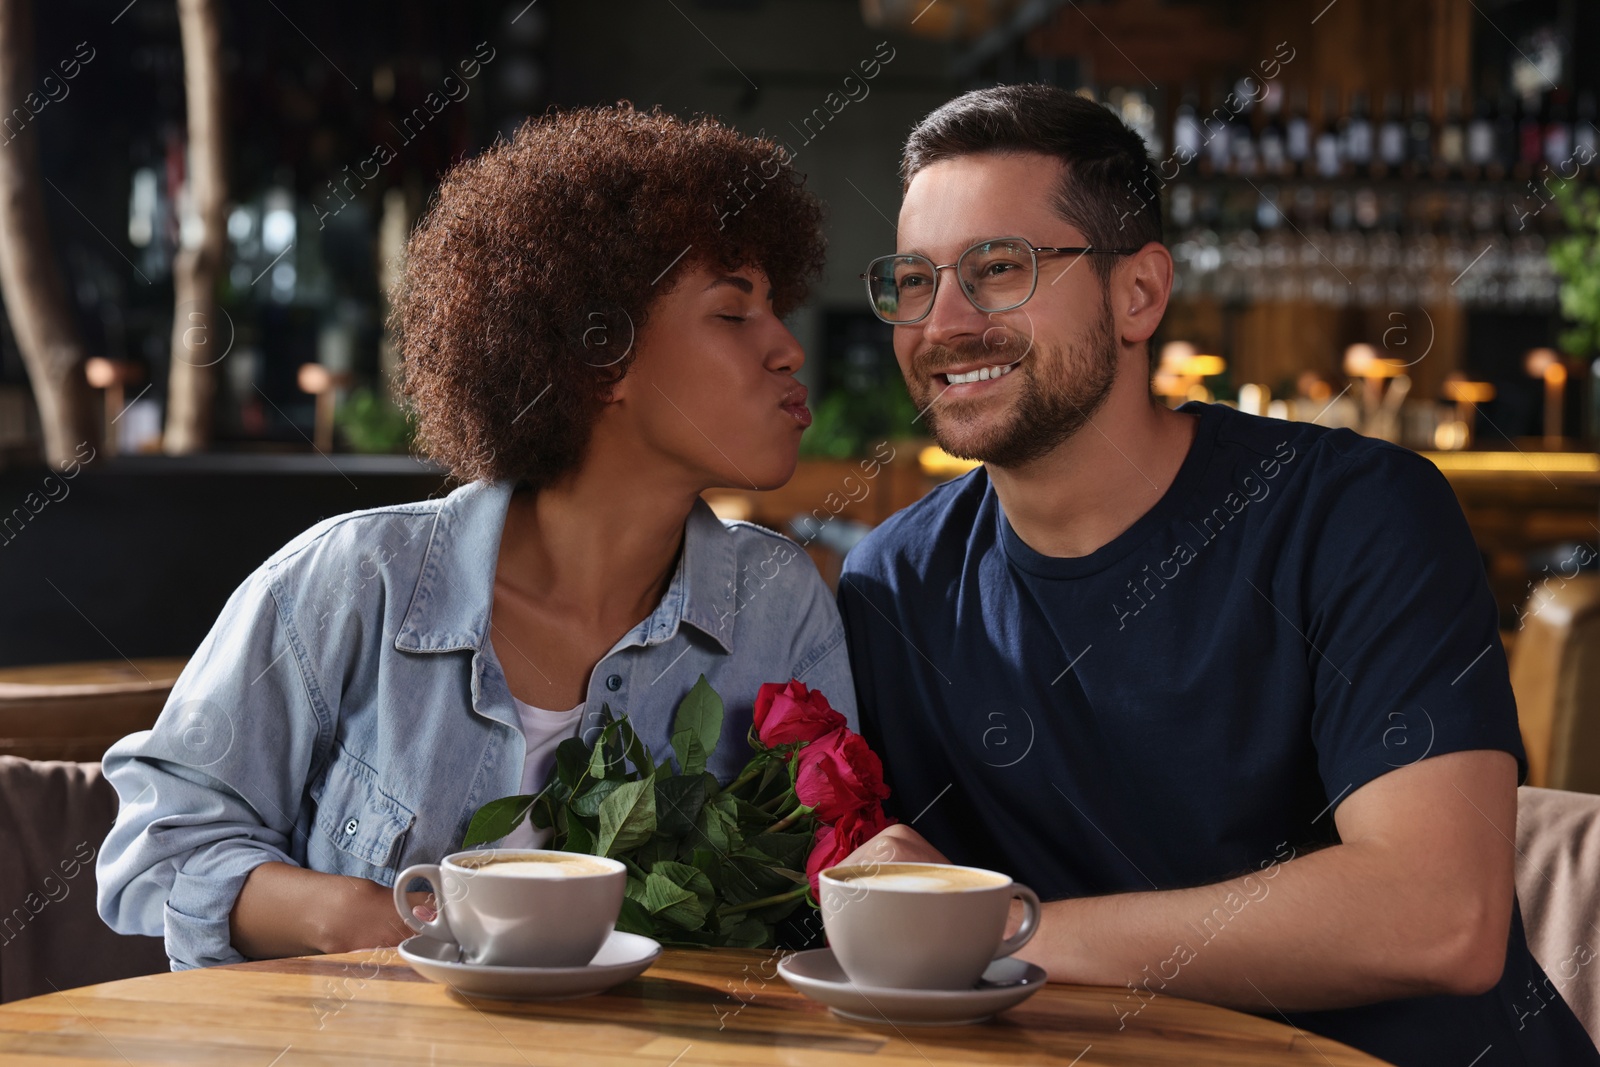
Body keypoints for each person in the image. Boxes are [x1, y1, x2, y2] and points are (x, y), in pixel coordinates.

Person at [836, 84, 1598, 1067]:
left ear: (1138, 294)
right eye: (911, 280)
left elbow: (1436, 917)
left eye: (996, 267)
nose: (941, 322)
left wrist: (1001, 930)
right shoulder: (894, 586)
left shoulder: (1353, 512)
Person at [97, 105, 854, 969]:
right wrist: (353, 914)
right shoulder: (357, 579)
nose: (790, 348)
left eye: (777, 310)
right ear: (601, 356)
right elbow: (153, 854)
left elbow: (821, 914)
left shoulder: (781, 607)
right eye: (734, 313)